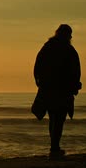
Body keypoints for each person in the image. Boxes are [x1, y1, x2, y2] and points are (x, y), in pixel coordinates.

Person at [33, 24, 82, 158]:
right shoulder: (69, 49)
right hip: (62, 90)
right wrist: (75, 85)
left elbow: (37, 66)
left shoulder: (47, 47)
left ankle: (54, 146)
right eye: (69, 34)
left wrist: (39, 82)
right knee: (59, 118)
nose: (71, 37)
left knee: (53, 118)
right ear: (66, 35)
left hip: (49, 89)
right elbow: (75, 70)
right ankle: (55, 147)